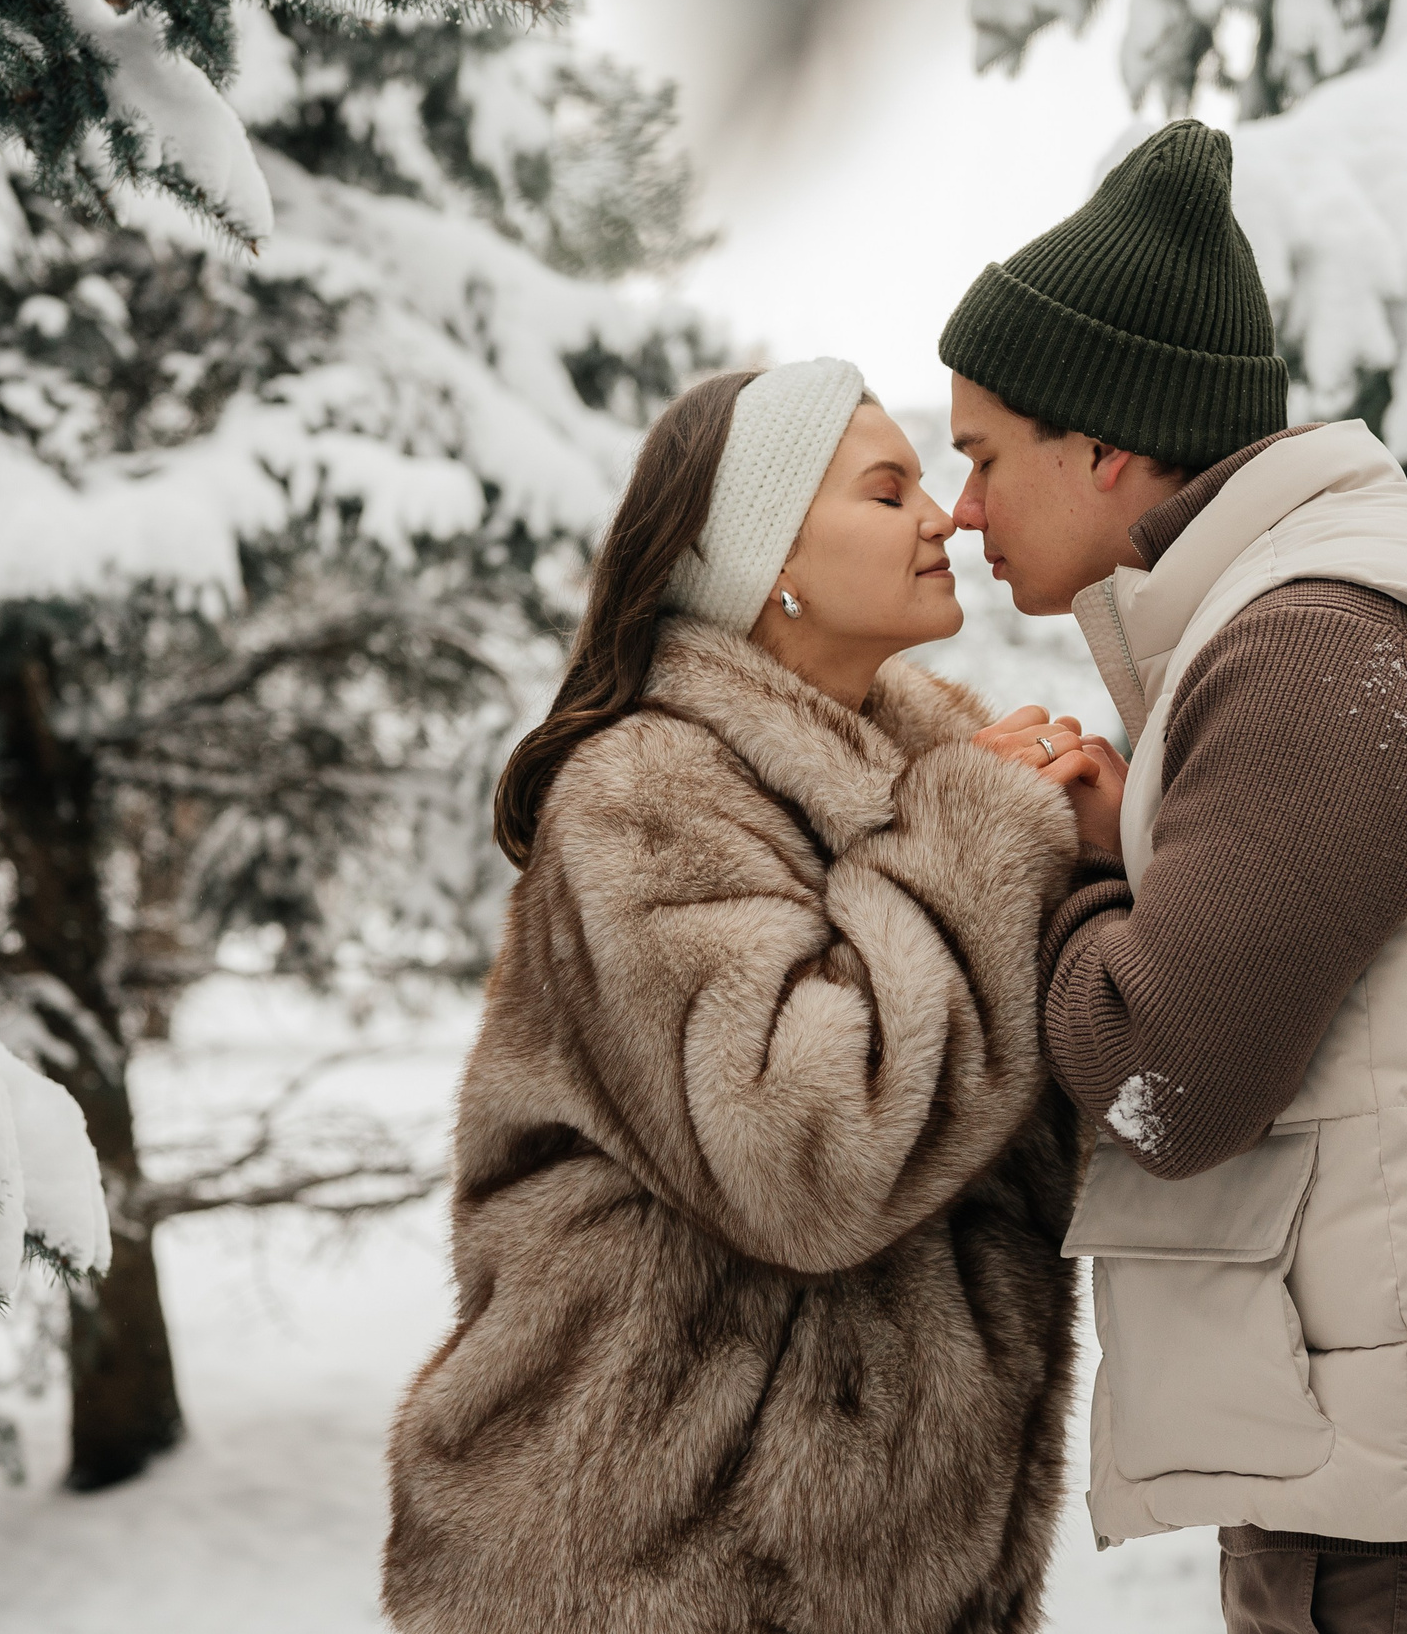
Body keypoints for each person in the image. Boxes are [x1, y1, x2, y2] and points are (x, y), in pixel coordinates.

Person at [939, 120, 1407, 1633]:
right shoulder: (1355, 591)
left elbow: (1166, 1082)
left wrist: (1070, 880)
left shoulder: (1310, 640)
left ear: (1103, 447)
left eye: (978, 457)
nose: (962, 512)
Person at [380, 360, 1098, 1634]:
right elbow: (803, 1143)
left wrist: (1095, 859)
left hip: (868, 1567)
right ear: (765, 555)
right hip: (654, 1558)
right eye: (888, 490)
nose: (941, 516)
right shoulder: (645, 795)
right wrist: (978, 840)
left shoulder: (931, 776)